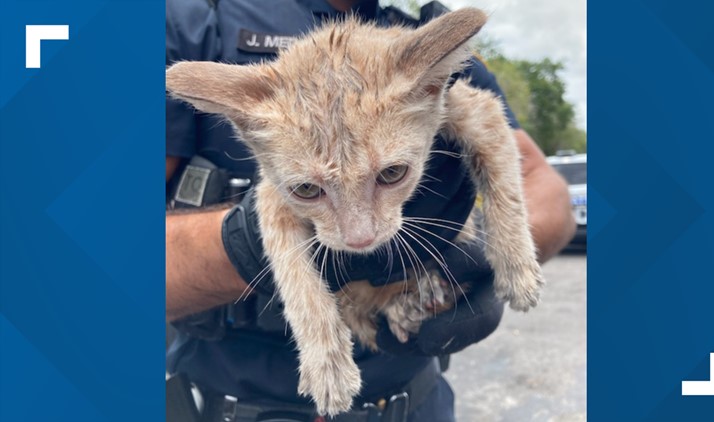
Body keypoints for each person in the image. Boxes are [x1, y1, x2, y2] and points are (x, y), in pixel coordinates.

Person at [165, 1, 575, 421]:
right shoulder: (197, 24)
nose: (358, 234)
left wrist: (502, 250)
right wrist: (245, 250)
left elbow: (518, 154)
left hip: (417, 401)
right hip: (228, 400)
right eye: (308, 187)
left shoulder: (420, 38)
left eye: (392, 172)